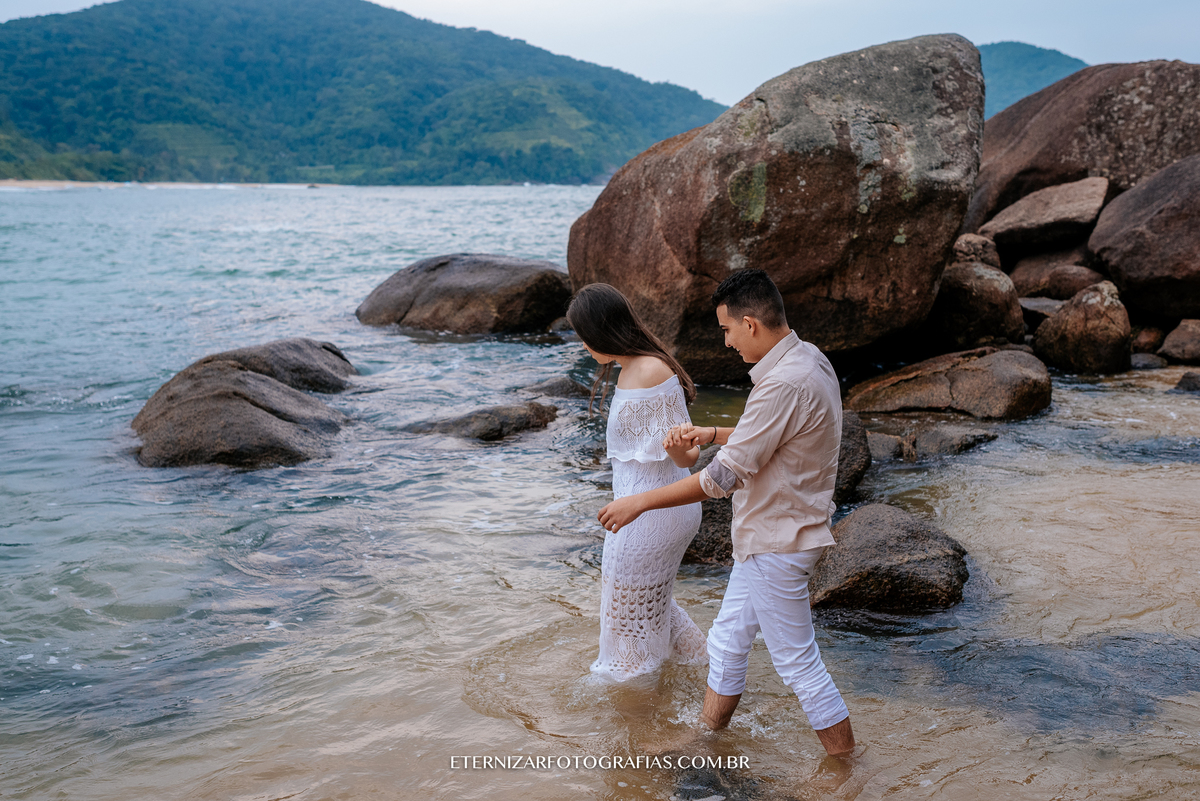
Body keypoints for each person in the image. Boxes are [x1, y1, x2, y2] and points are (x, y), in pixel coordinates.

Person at [597, 269, 856, 757]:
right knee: (728, 639)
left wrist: (640, 501)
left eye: (727, 329)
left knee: (799, 664)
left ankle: (844, 767)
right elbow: (775, 434)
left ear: (751, 323)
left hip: (779, 541)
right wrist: (712, 432)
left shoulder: (781, 385)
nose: (727, 342)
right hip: (777, 534)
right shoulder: (809, 360)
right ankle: (706, 736)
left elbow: (720, 480)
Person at [566, 283, 708, 681]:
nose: (582, 346)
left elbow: (689, 454)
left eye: (583, 337)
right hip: (654, 511)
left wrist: (678, 445)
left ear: (600, 331)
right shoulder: (637, 367)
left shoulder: (648, 370)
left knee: (623, 636)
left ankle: (632, 721)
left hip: (647, 515)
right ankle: (711, 673)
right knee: (654, 607)